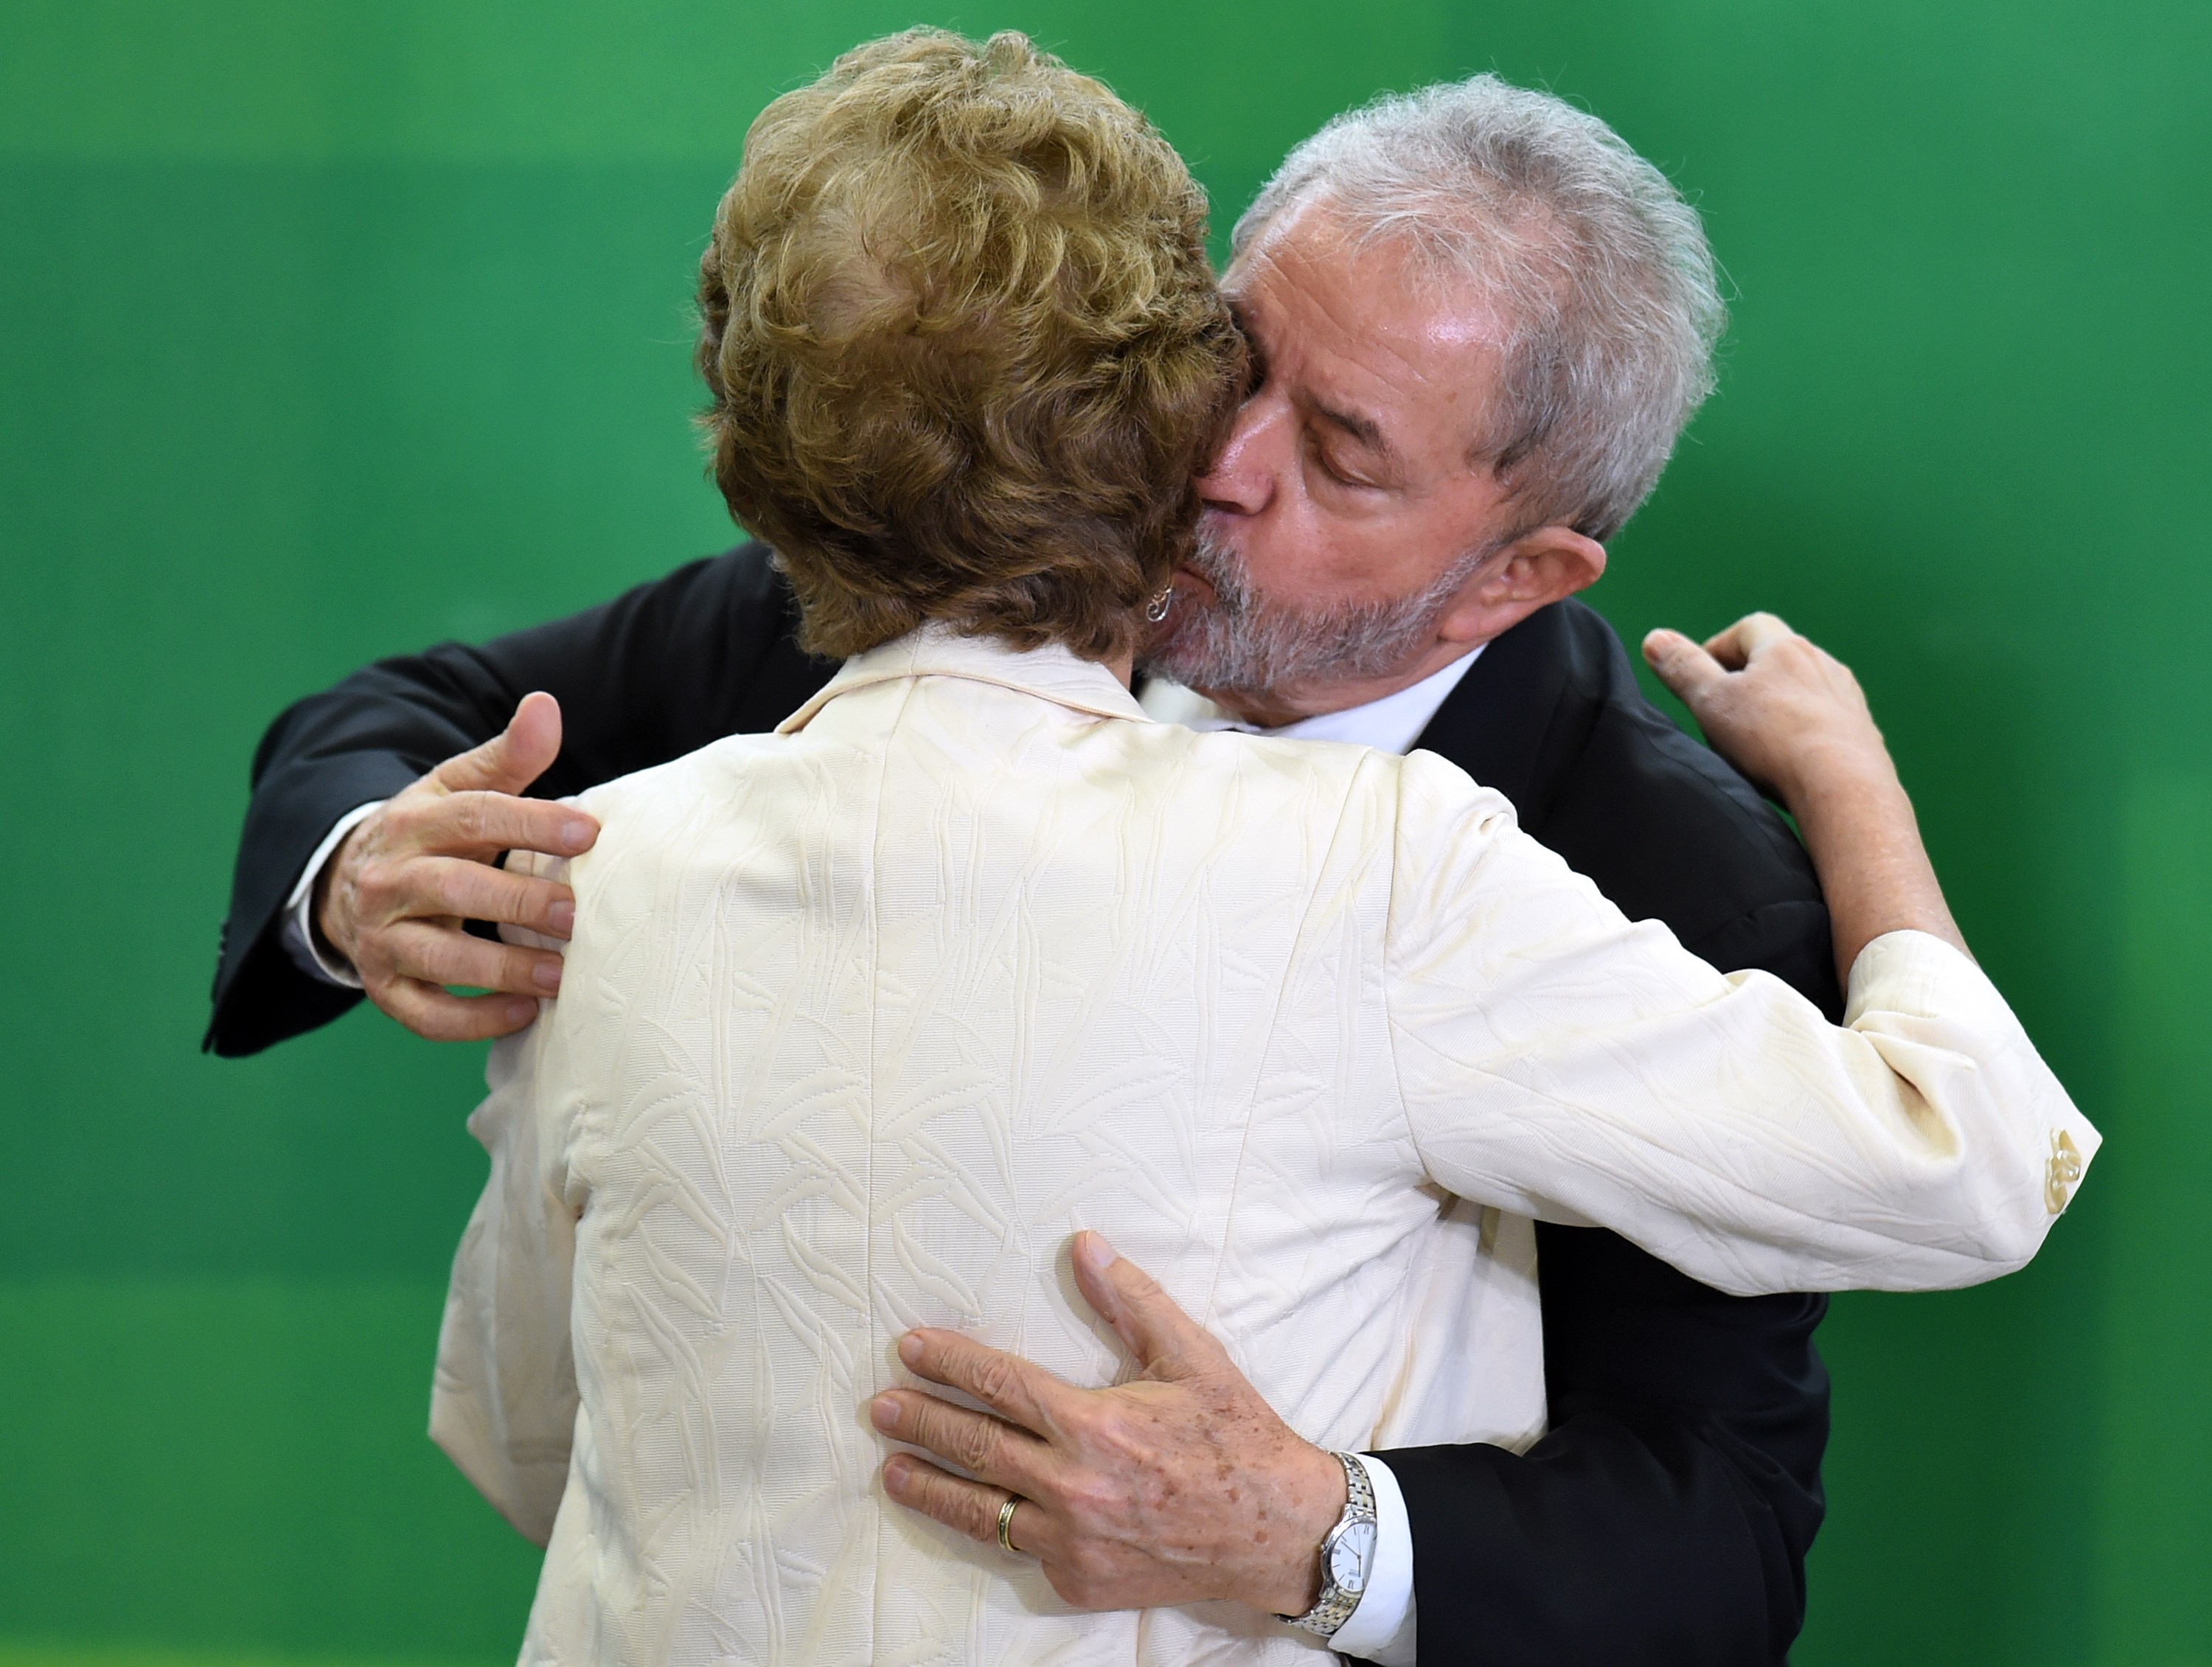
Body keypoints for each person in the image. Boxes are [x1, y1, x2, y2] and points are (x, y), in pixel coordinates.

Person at [204, 69, 2067, 1667]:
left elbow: (1715, 1543)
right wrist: (362, 866)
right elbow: (406, 709)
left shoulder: (1676, 885)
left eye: (1339, 451)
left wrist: (1319, 1540)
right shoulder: (913, 593)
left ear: (1520, 572)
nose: (1221, 465)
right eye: (1226, 362)